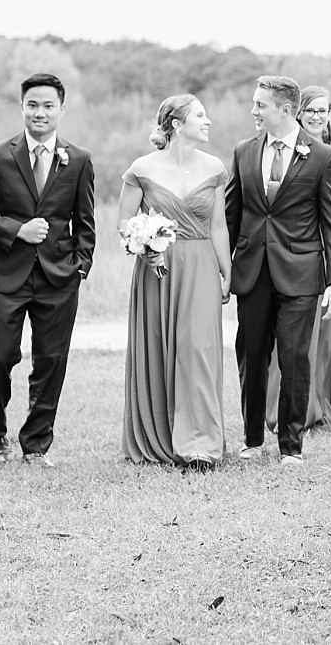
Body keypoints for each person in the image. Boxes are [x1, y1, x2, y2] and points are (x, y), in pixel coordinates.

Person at [0, 73, 97, 468]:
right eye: (32, 105)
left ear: (61, 110)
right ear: (22, 107)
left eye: (48, 105)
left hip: (59, 276)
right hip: (6, 274)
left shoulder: (80, 159)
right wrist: (15, 229)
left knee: (51, 361)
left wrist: (80, 268)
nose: (40, 112)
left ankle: (36, 445)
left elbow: (85, 221)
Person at [224, 76, 331, 466]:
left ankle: (291, 445)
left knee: (295, 357)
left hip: (300, 271)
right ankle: (251, 437)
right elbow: (231, 215)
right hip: (252, 270)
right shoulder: (243, 151)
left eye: (260, 104)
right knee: (251, 352)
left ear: (285, 109)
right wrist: (221, 270)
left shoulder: (323, 157)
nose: (253, 110)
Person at [119, 95, 230, 469]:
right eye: (200, 115)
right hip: (157, 269)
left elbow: (218, 225)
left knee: (198, 349)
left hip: (200, 264)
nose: (208, 120)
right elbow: (123, 221)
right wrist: (142, 244)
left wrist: (225, 268)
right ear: (177, 124)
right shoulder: (142, 168)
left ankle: (201, 445)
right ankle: (160, 437)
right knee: (159, 346)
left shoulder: (214, 167)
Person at [265, 85, 331, 430]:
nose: (317, 116)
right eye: (311, 110)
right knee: (297, 323)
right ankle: (293, 405)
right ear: (298, 112)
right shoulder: (285, 145)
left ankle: (323, 398)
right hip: (298, 240)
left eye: (323, 110)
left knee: (329, 325)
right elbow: (271, 191)